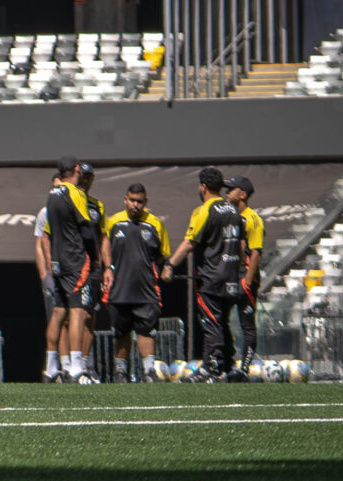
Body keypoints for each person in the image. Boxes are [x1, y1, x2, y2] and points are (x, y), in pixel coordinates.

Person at [171, 167, 249, 379]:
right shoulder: (233, 210)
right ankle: (229, 365)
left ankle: (211, 367)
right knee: (222, 321)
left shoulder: (204, 211)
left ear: (202, 186)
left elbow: (189, 243)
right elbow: (242, 247)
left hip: (211, 277)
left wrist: (170, 265)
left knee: (211, 322)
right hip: (231, 276)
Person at [100, 182, 171, 382]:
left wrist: (164, 271)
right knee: (121, 332)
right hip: (119, 289)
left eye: (140, 201)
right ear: (125, 200)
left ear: (145, 202)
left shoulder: (155, 224)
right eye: (132, 200)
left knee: (146, 331)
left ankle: (149, 371)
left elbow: (163, 256)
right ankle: (121, 371)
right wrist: (107, 272)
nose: (135, 205)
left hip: (146, 289)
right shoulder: (113, 222)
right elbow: (104, 250)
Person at [44, 160, 103, 383]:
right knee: (78, 311)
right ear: (77, 171)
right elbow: (86, 230)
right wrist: (95, 257)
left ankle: (50, 368)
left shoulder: (52, 194)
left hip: (58, 262)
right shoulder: (75, 194)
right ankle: (76, 368)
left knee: (59, 312)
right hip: (76, 261)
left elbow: (49, 232)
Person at [231, 175, 267, 373]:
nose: (227, 193)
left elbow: (256, 253)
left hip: (245, 277)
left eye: (231, 190)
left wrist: (247, 281)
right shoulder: (229, 216)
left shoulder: (253, 219)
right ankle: (225, 365)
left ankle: (244, 368)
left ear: (242, 194)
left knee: (247, 325)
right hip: (228, 277)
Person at [33, 201, 63, 381]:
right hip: (54, 277)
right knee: (57, 317)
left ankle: (73, 367)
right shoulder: (46, 212)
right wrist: (44, 275)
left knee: (78, 319)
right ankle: (52, 368)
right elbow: (41, 242)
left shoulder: (79, 207)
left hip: (74, 275)